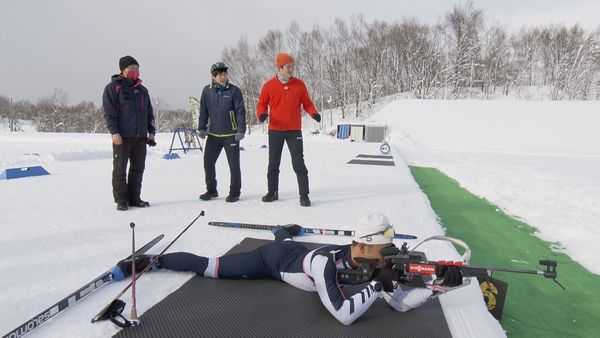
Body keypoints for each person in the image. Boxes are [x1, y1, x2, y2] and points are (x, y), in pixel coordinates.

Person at [113, 213, 463, 325]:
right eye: (381, 249)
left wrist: (435, 286)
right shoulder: (326, 262)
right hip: (271, 262)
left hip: (295, 249)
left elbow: (400, 302)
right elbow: (343, 314)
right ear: (361, 245)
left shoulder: (375, 261)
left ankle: (285, 231)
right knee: (210, 267)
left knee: (286, 240)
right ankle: (151, 262)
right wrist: (376, 283)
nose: (386, 255)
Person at [256, 53, 321, 207]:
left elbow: (307, 102)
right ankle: (272, 192)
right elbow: (261, 104)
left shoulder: (299, 85)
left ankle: (304, 195)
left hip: (294, 131)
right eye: (288, 66)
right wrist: (262, 114)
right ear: (280, 68)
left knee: (298, 162)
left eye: (293, 66)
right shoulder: (268, 85)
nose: (292, 69)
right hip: (275, 130)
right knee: (273, 163)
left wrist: (313, 113)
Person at [103, 55, 156, 211]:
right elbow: (109, 113)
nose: (135, 71)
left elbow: (149, 113)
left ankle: (135, 198)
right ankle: (121, 200)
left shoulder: (143, 90)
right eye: (131, 68)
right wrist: (114, 132)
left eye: (137, 68)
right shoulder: (113, 88)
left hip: (140, 137)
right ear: (123, 71)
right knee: (120, 169)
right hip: (122, 137)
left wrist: (151, 132)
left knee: (138, 168)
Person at [197, 62, 247, 202]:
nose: (223, 76)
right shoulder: (207, 91)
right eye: (220, 74)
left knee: (234, 165)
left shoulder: (234, 91)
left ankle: (235, 192)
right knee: (208, 162)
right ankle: (211, 190)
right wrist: (201, 127)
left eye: (225, 74)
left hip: (231, 135)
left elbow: (240, 111)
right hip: (213, 135)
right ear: (214, 77)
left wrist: (241, 129)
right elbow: (203, 111)